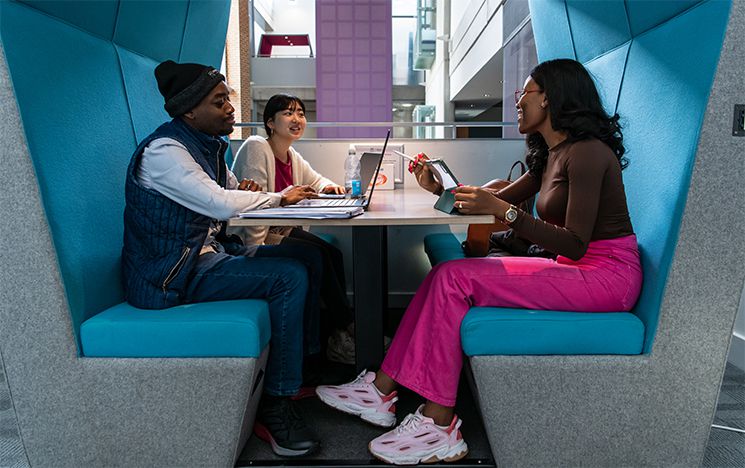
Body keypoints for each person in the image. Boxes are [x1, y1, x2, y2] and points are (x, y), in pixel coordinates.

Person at [315, 58, 642, 465]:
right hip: (578, 268)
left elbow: (574, 243)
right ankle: (382, 391)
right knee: (446, 275)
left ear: (553, 98)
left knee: (454, 278)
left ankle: (437, 424)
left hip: (605, 275)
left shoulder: (589, 153)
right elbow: (490, 205)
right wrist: (441, 190)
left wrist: (503, 212)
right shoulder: (553, 156)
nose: (518, 101)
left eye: (526, 93)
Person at [122, 60, 324, 457]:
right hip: (169, 275)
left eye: (228, 98)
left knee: (307, 257)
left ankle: (300, 369)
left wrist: (248, 190)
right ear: (190, 110)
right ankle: (275, 403)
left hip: (206, 257)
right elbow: (219, 202)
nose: (231, 108)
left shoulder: (206, 146)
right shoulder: (165, 151)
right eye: (220, 102)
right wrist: (280, 196)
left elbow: (233, 189)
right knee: (289, 275)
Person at [231, 94, 356, 365]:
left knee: (332, 253)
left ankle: (341, 332)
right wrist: (256, 250)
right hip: (256, 235)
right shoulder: (256, 146)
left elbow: (316, 179)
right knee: (314, 258)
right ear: (270, 123)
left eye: (300, 113)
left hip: (280, 230)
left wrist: (329, 186)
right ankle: (322, 344)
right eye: (288, 113)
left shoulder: (291, 155)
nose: (297, 119)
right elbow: (254, 207)